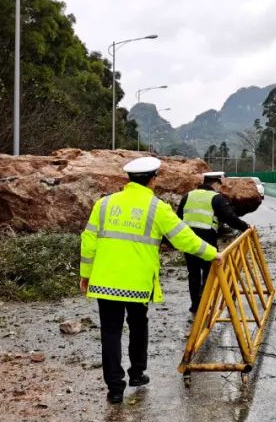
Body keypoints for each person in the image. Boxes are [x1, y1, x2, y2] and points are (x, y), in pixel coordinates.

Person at [80, 157, 217, 404]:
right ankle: (137, 373)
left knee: (110, 333)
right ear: (153, 179)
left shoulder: (103, 204)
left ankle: (114, 388)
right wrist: (212, 254)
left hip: (104, 281)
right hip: (137, 284)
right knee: (138, 325)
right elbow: (184, 238)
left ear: (129, 179)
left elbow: (88, 241)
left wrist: (86, 274)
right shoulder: (157, 208)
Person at [177, 171, 250, 317]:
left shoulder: (188, 196)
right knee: (209, 273)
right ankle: (205, 304)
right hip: (207, 240)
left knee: (193, 274)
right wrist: (245, 227)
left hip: (189, 240)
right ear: (215, 183)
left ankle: (195, 305)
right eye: (219, 184)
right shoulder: (215, 198)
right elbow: (230, 217)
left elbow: (178, 218)